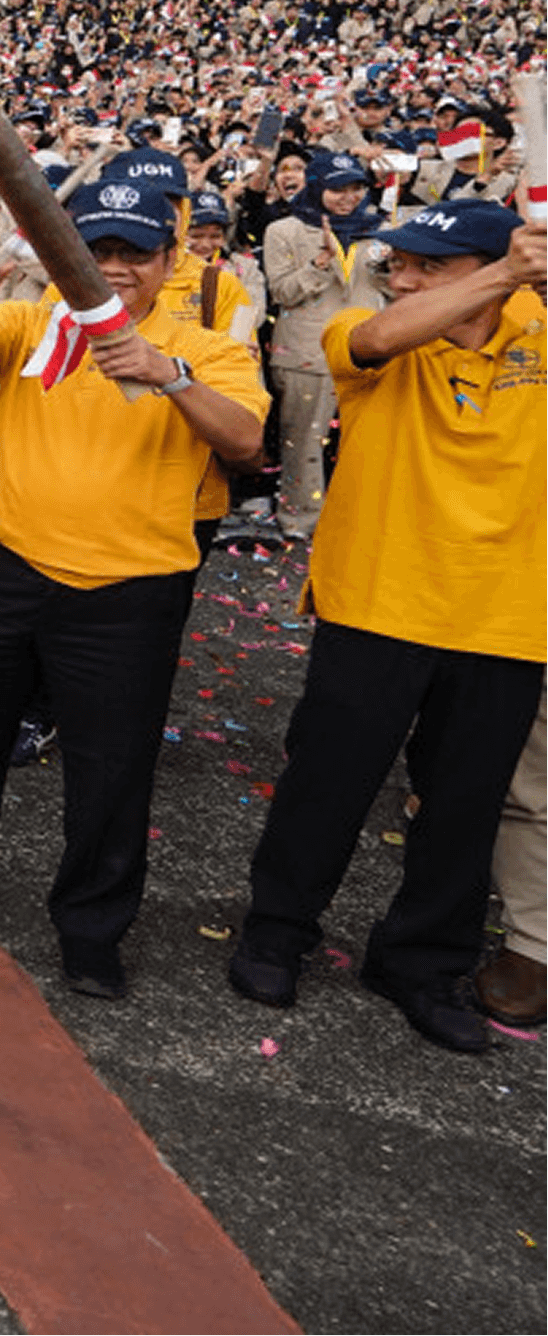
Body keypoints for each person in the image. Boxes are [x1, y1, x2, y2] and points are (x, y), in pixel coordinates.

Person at [0, 178, 267, 997]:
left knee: (110, 771)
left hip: (127, 594)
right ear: (64, 259)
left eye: (135, 252)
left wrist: (167, 374)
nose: (115, 268)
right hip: (4, 570)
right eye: (95, 251)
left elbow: (243, 440)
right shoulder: (30, 323)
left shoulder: (209, 346)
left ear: (169, 260)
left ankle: (91, 927)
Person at [230, 202, 545, 1053]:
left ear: (483, 263)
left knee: (463, 807)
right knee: (326, 782)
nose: (397, 279)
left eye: (424, 267)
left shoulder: (538, 328)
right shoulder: (372, 334)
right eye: (395, 263)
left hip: (506, 616)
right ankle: (276, 928)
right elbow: (371, 340)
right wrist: (505, 274)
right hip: (376, 600)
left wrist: (520, 282)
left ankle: (420, 962)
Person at [258, 150, 382, 540]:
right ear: (316, 188)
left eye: (356, 188)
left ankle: (358, 515)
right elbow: (281, 292)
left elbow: (395, 289)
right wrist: (320, 262)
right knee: (304, 442)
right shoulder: (286, 231)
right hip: (306, 351)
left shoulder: (379, 229)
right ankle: (300, 519)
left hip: (367, 347)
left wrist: (392, 264)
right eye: (337, 190)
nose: (348, 198)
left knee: (366, 440)